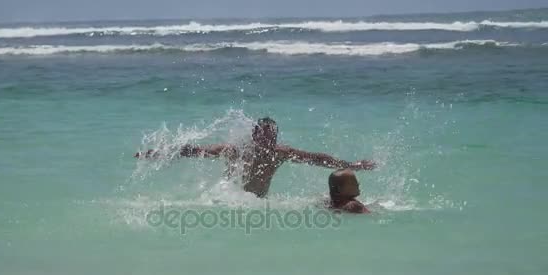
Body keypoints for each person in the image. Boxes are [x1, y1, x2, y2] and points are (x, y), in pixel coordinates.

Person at [135, 117, 375, 198]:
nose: (268, 142)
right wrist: (156, 153)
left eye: (272, 137)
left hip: (256, 205)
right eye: (264, 137)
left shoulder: (280, 154)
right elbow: (193, 151)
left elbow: (316, 159)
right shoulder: (235, 150)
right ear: (254, 135)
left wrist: (351, 165)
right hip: (231, 201)